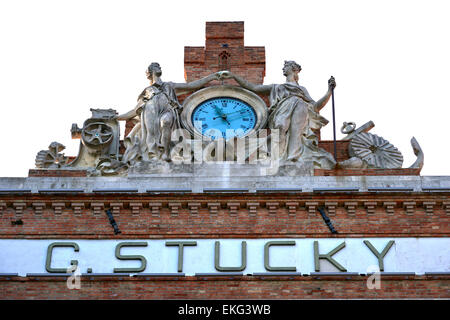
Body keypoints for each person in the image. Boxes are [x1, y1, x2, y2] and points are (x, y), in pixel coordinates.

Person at [221, 61, 336, 168]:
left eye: (286, 66)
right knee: (280, 127)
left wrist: (329, 91)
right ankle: (276, 157)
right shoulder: (276, 87)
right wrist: (234, 76)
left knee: (296, 132)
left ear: (293, 69)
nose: (283, 68)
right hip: (282, 108)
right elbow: (253, 87)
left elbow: (315, 107)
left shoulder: (301, 89)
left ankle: (292, 158)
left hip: (300, 106)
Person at [117, 63, 223, 162]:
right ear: (150, 72)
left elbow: (191, 85)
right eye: (156, 66)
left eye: (159, 66)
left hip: (167, 110)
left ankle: (166, 153)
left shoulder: (169, 86)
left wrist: (212, 77)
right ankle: (153, 154)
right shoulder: (147, 91)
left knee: (166, 122)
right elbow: (134, 111)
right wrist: (116, 118)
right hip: (150, 111)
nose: (159, 68)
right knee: (151, 132)